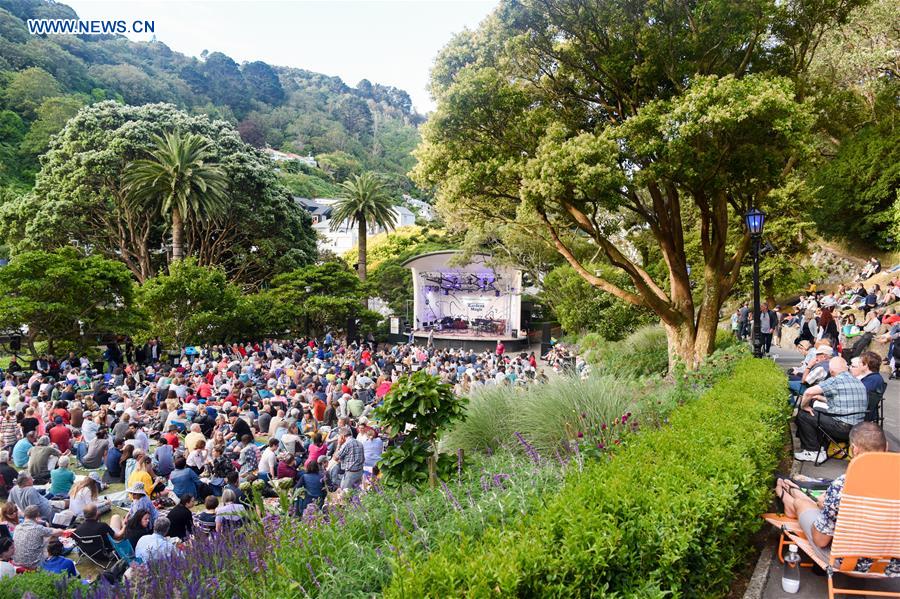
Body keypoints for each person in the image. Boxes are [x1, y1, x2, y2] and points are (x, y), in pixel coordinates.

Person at [775, 422, 897, 574]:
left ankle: (792, 501)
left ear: (854, 450)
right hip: (892, 565)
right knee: (825, 506)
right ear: (885, 447)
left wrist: (827, 508)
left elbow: (821, 540)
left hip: (848, 562)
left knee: (803, 504)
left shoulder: (843, 485)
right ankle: (796, 494)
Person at [795, 357, 869, 462]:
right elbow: (843, 402)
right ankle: (821, 449)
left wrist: (804, 406)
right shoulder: (857, 381)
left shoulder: (835, 380)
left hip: (842, 428)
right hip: (858, 428)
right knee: (816, 412)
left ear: (831, 371)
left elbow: (808, 392)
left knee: (804, 414)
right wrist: (821, 398)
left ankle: (812, 451)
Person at [13, 505, 66, 570]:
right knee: (51, 539)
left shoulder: (17, 527)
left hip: (17, 562)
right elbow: (59, 532)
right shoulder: (38, 528)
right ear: (37, 515)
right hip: (34, 564)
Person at [331, 426, 364, 490]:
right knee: (355, 493)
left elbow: (335, 458)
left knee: (345, 492)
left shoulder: (346, 444)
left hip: (351, 473)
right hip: (359, 472)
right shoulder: (359, 443)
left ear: (342, 436)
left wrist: (339, 444)